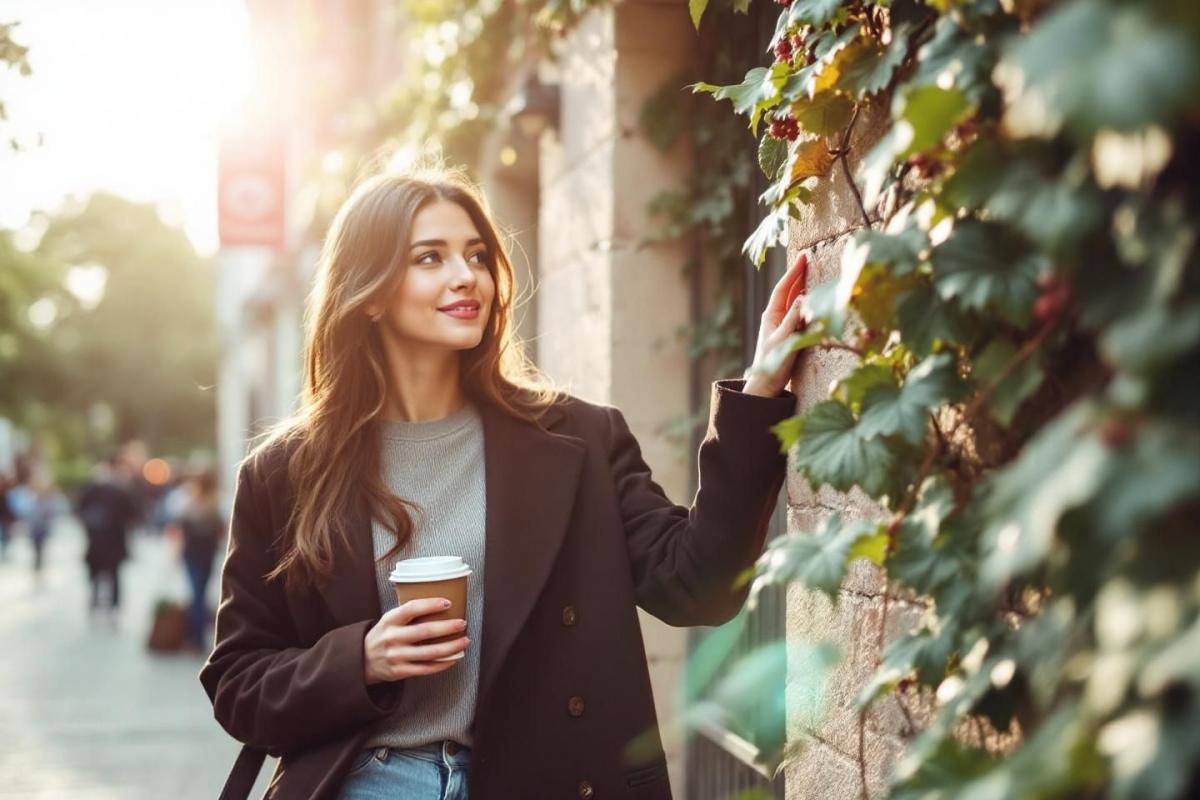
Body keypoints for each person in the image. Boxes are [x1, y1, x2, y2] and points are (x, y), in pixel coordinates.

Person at [199, 165, 808, 800]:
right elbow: (238, 680)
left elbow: (698, 585)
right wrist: (361, 661)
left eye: (478, 256)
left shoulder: (578, 439)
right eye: (429, 258)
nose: (467, 277)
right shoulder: (288, 473)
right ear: (370, 293)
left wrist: (759, 394)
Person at [165, 468, 226, 651]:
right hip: (207, 554)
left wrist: (173, 556)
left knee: (197, 594)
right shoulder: (216, 503)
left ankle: (196, 636)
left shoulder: (187, 503)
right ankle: (199, 633)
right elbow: (223, 532)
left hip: (191, 555)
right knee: (201, 592)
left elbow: (178, 531)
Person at [76, 453, 138, 622]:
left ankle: (96, 603)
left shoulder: (94, 486)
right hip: (113, 540)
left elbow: (79, 508)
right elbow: (133, 513)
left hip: (97, 539)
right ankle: (112, 607)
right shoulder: (120, 488)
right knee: (114, 574)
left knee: (97, 572)